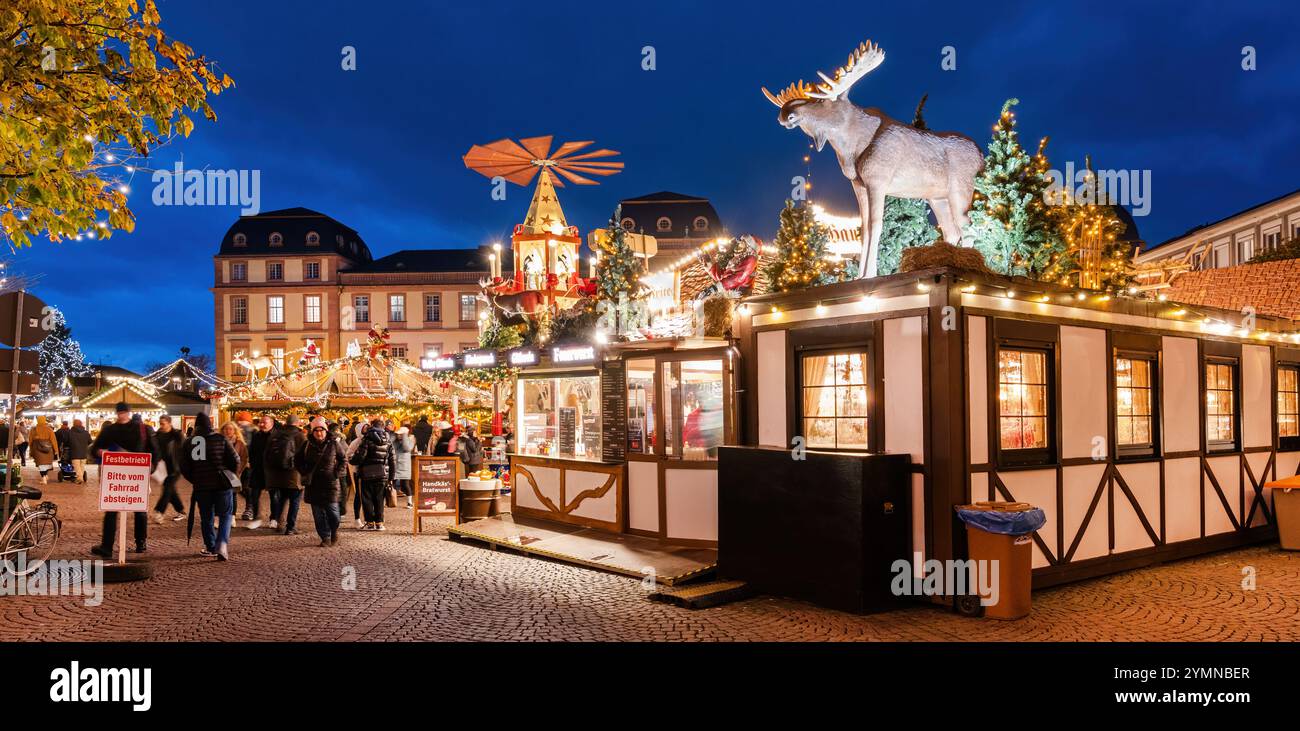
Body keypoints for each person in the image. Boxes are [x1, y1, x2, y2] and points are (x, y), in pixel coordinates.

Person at [88, 402, 151, 557]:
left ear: (129, 413)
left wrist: (149, 468)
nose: (122, 415)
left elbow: (153, 449)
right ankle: (107, 545)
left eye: (124, 412)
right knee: (111, 509)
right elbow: (95, 449)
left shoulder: (141, 429)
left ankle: (141, 542)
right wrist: (100, 452)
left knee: (140, 509)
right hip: (115, 476)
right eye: (120, 412)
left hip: (137, 475)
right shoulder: (110, 430)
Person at [178, 412, 238, 560]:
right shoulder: (220, 439)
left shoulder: (188, 442)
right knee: (225, 515)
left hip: (201, 486)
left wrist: (196, 479)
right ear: (210, 425)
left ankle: (211, 546)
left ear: (196, 426)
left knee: (207, 517)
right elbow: (235, 460)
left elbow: (184, 467)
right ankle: (222, 544)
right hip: (222, 484)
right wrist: (229, 473)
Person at [297, 417, 346, 547]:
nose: (319, 433)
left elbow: (343, 459)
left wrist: (337, 473)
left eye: (322, 430)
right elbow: (297, 460)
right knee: (318, 515)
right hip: (313, 484)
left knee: (334, 513)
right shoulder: (306, 445)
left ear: (326, 431)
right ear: (312, 432)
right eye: (316, 431)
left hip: (331, 483)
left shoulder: (334, 443)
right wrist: (304, 471)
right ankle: (325, 536)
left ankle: (334, 530)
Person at [264, 414, 306, 534]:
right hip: (294, 475)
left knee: (281, 500)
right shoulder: (299, 435)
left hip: (277, 476)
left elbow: (266, 455)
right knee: (295, 501)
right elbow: (305, 455)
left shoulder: (275, 434)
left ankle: (279, 524)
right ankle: (290, 527)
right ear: (297, 423)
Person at [351, 418, 394, 531]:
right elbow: (392, 460)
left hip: (366, 474)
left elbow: (359, 457)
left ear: (372, 426)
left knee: (367, 499)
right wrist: (391, 477)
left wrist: (352, 460)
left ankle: (370, 523)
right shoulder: (388, 440)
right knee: (380, 499)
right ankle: (379, 523)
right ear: (383, 427)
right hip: (382, 474)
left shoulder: (367, 439)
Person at [151, 415, 185, 523]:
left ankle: (159, 511)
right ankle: (181, 511)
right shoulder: (157, 435)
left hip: (175, 467)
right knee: (170, 490)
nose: (161, 426)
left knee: (167, 489)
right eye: (160, 423)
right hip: (162, 468)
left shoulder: (177, 435)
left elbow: (184, 449)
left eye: (163, 423)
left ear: (169, 423)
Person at [244, 415, 275, 528]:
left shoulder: (276, 436)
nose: (261, 424)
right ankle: (257, 517)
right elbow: (252, 450)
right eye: (260, 422)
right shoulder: (256, 435)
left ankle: (274, 518)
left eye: (264, 422)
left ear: (271, 424)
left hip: (271, 470)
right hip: (257, 469)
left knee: (274, 495)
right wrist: (251, 462)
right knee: (254, 494)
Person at [221, 421, 249, 525]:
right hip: (221, 472)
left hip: (234, 473)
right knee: (221, 495)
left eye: (230, 429)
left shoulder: (240, 443)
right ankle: (220, 516)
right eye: (225, 429)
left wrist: (238, 470)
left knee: (233, 494)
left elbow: (244, 458)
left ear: (235, 431)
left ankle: (232, 517)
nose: (227, 431)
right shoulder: (219, 441)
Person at [28, 415, 59, 484]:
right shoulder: (49, 429)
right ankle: (45, 476)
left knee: (41, 464)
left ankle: (44, 478)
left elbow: (30, 440)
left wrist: (31, 449)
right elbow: (53, 440)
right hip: (48, 449)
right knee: (46, 464)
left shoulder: (33, 429)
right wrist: (56, 450)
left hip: (37, 449)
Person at [392, 424, 415, 508]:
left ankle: (410, 502)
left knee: (405, 484)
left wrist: (404, 436)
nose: (399, 435)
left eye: (401, 434)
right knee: (392, 483)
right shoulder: (396, 442)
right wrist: (394, 436)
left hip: (404, 466)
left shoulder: (410, 440)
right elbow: (391, 446)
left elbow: (406, 448)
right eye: (398, 434)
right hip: (395, 464)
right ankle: (390, 500)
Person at [67, 419, 92, 483]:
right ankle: (80, 478)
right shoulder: (86, 433)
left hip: (74, 452)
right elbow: (90, 442)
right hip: (84, 452)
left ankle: (79, 478)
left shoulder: (70, 433)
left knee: (77, 467)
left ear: (74, 424)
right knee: (82, 467)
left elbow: (66, 442)